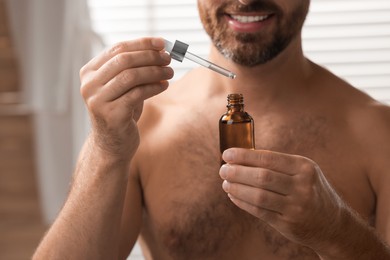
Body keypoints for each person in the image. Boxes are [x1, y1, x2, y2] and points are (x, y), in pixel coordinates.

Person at [33, 0, 390, 259]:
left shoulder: (377, 131)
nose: (247, 0)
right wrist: (107, 149)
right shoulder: (139, 127)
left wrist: (337, 232)